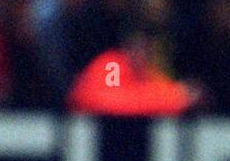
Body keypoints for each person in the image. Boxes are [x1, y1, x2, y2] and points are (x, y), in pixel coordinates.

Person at [67, 25, 199, 117]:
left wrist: (181, 95)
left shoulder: (149, 74)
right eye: (138, 47)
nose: (142, 54)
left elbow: (171, 94)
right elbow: (105, 102)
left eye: (147, 49)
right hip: (89, 140)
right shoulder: (112, 64)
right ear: (127, 47)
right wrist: (175, 98)